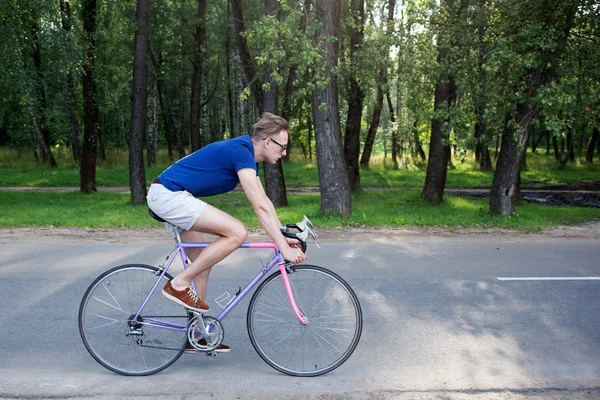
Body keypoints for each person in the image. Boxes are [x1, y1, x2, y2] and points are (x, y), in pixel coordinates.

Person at [147, 113, 307, 352]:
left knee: (202, 263)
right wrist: (283, 249)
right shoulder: (241, 151)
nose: (284, 153)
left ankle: (196, 335)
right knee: (236, 231)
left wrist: (282, 237)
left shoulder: (248, 159)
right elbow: (259, 208)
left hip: (173, 195)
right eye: (283, 147)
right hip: (168, 195)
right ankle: (178, 284)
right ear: (267, 142)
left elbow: (266, 203)